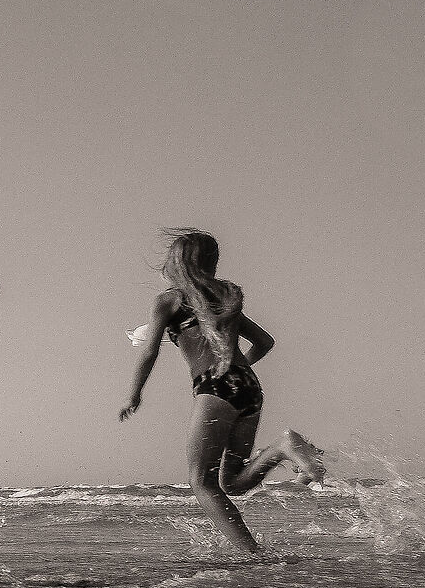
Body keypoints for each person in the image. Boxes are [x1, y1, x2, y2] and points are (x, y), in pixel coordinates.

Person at [120, 228, 325, 554]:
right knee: (232, 482)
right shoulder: (225, 299)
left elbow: (149, 352)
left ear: (175, 263)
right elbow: (265, 342)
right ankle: (283, 446)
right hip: (248, 388)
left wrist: (134, 394)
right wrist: (239, 371)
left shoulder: (168, 301)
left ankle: (252, 555)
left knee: (200, 482)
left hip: (214, 389)